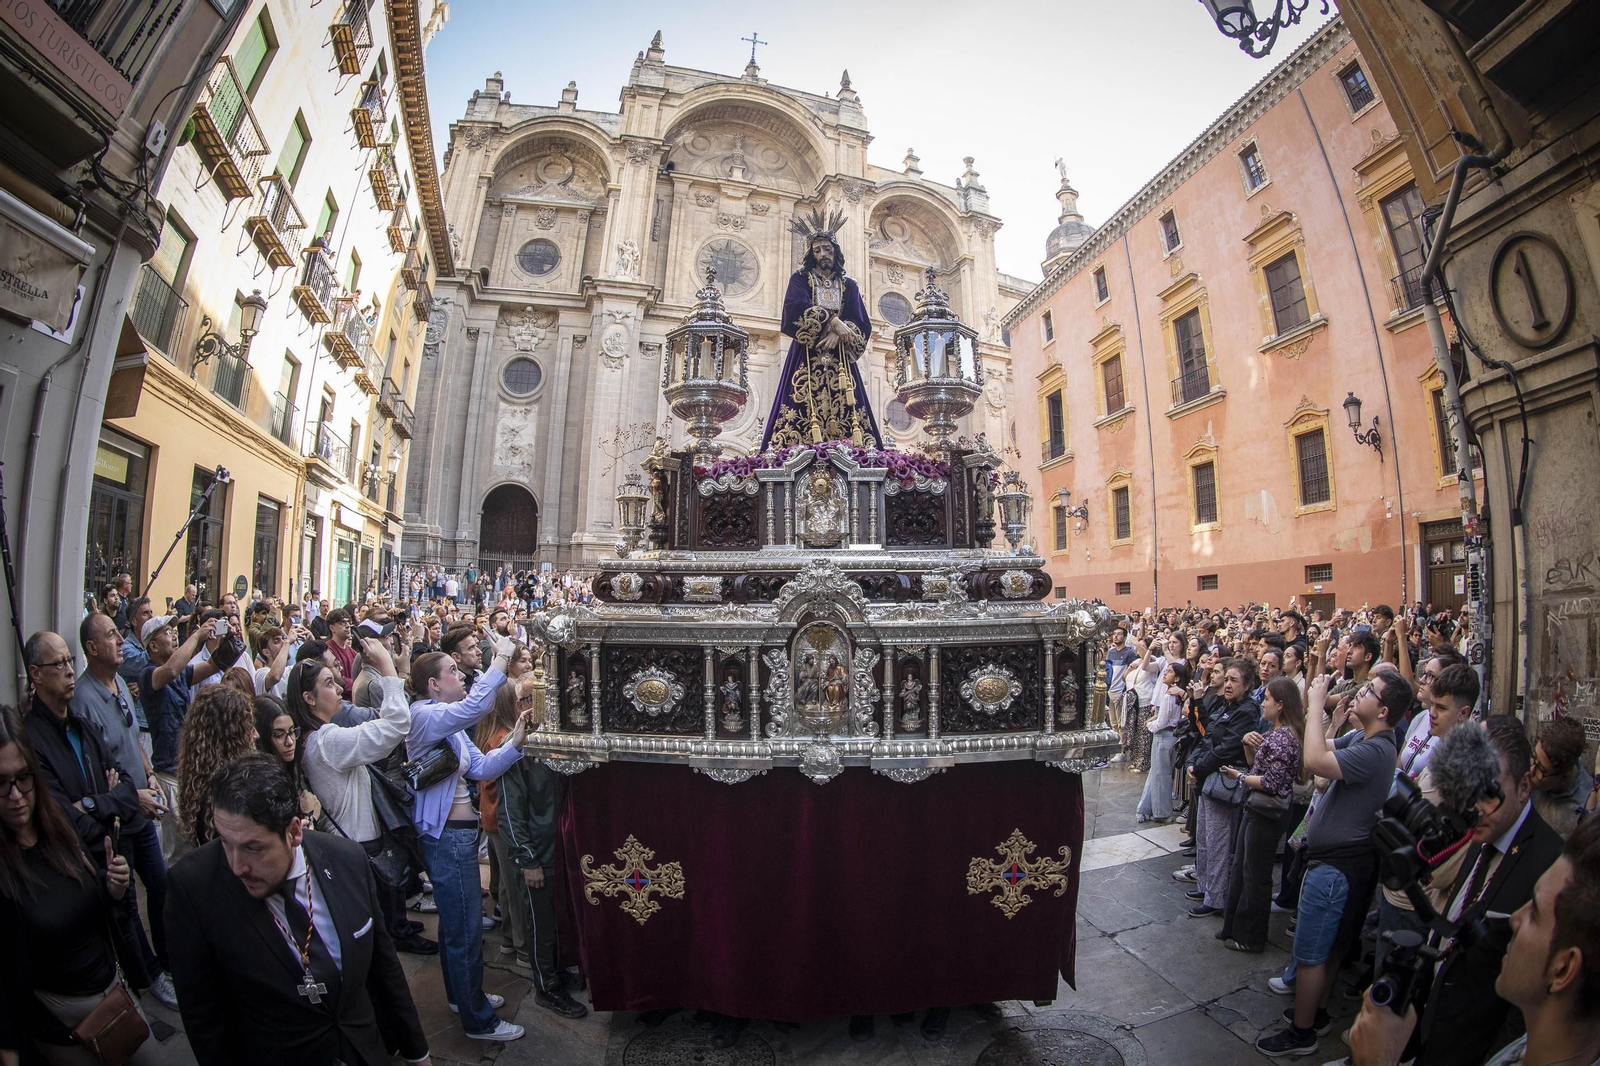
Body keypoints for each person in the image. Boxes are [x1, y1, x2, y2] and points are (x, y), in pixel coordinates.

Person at [164, 753, 433, 1066]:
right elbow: (204, 1021)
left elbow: (384, 966)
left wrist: (417, 1053)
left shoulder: (347, 860)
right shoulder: (193, 886)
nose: (236, 866)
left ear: (293, 832)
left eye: (253, 847)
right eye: (225, 842)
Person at [1345, 814, 1600, 1066]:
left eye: (1534, 911)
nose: (1514, 919)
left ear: (1563, 968)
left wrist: (1376, 1061)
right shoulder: (1522, 1051)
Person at [1256, 670, 1410, 1056]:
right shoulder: (1364, 738)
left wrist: (1312, 703)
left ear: (1385, 709)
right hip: (1338, 863)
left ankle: (1302, 1033)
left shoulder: (1378, 750)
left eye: (1370, 691)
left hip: (1337, 868)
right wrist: (1329, 719)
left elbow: (1312, 759)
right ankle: (1318, 1013)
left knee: (1311, 954)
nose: (1361, 691)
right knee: (1329, 949)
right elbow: (1315, 756)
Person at [0, 705, 163, 1066]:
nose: (15, 796)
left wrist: (113, 888)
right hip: (63, 1027)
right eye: (1, 783)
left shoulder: (60, 826)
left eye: (24, 778)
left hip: (115, 997)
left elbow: (123, 792)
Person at [407, 631, 531, 1041]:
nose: (460, 675)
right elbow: (476, 704)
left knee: (456, 926)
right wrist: (503, 657)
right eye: (452, 672)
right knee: (463, 928)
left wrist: (516, 741)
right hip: (446, 837)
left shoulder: (451, 724)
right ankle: (478, 1021)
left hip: (457, 835)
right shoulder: (426, 715)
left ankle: (464, 996)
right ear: (432, 685)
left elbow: (480, 768)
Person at [291, 642, 436, 956]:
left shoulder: (317, 737)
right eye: (328, 683)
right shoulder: (326, 741)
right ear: (309, 698)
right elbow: (395, 726)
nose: (340, 685)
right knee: (370, 939)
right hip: (357, 847)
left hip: (352, 844)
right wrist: (389, 668)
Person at [69, 614, 179, 1010]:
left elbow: (132, 742)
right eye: (112, 635)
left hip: (140, 810)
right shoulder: (83, 701)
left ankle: (168, 964)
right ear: (92, 648)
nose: (121, 640)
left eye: (118, 633)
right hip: (117, 820)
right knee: (126, 905)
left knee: (161, 886)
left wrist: (147, 774)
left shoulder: (118, 685)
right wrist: (137, 796)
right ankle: (149, 977)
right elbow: (101, 771)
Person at [760, 214, 883, 449]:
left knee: (851, 409)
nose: (822, 254)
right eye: (817, 250)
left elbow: (861, 321)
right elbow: (794, 308)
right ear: (811, 254)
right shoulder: (800, 279)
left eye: (827, 249)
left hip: (840, 362)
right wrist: (833, 321)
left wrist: (840, 332)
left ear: (835, 252)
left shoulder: (849, 285)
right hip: (806, 355)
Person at [1218, 676, 1305, 952]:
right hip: (1256, 809)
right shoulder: (1275, 732)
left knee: (1255, 874)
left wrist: (1240, 778)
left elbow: (1271, 782)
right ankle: (1234, 927)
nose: (1262, 703)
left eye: (1266, 699)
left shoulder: (1283, 737)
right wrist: (1246, 743)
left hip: (1266, 813)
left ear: (1280, 705)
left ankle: (1251, 936)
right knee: (1242, 868)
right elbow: (1254, 763)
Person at [1184, 658, 1262, 918]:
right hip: (1208, 777)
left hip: (1224, 780)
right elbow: (1207, 737)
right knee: (1206, 838)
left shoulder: (1247, 711)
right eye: (1226, 679)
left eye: (1233, 681)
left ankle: (1216, 897)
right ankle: (1205, 886)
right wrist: (1194, 764)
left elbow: (1227, 747)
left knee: (1218, 842)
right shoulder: (1226, 706)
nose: (1227, 685)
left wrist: (1200, 768)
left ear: (1248, 684)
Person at [173, 686, 257, 849]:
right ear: (232, 735)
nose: (255, 734)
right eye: (247, 727)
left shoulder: (197, 779)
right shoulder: (230, 789)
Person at [1137, 659, 1191, 824]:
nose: (1165, 674)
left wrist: (1150, 725)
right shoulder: (1176, 695)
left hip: (1163, 736)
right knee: (1158, 773)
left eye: (1169, 672)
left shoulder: (1169, 696)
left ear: (1177, 678)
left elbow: (1162, 722)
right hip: (1172, 737)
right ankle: (1144, 808)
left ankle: (1161, 812)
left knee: (1161, 775)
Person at [1531, 716, 1592, 838]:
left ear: (1563, 777)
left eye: (1541, 770)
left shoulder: (1585, 808)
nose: (1531, 770)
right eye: (1533, 757)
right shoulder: (1529, 777)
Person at [325, 610, 358, 695]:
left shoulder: (353, 653)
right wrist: (357, 685)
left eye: (348, 622)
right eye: (342, 623)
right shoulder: (327, 650)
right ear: (332, 628)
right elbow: (336, 678)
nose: (347, 626)